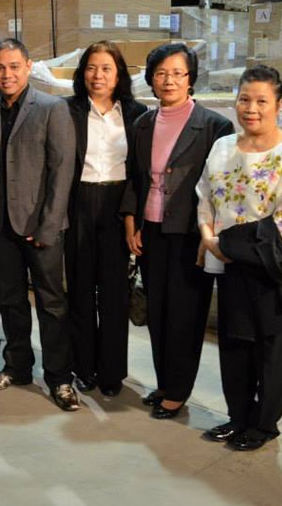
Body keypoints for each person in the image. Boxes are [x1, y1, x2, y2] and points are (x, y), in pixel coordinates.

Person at [120, 43, 233, 419]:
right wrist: (131, 222)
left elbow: (220, 188)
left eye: (177, 73)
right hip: (150, 231)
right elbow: (136, 179)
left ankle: (178, 391)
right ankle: (165, 382)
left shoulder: (214, 126)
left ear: (190, 79)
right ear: (151, 78)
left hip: (189, 234)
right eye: (161, 73)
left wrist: (210, 236)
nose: (168, 80)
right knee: (159, 312)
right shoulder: (143, 124)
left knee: (186, 315)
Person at [0, 39, 80, 411]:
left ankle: (60, 378)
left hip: (41, 227)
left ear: (28, 67)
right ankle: (17, 367)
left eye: (14, 66)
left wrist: (48, 225)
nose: (6, 74)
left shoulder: (52, 109)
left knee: (52, 304)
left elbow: (61, 173)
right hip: (1, 229)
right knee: (11, 302)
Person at [196, 65, 282, 451]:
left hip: (270, 270)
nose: (252, 108)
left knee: (271, 350)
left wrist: (227, 244)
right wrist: (209, 239)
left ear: (278, 105)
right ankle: (238, 417)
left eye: (262, 101)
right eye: (244, 99)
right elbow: (204, 197)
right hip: (228, 266)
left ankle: (264, 426)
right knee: (234, 345)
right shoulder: (223, 147)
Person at [65, 41, 147, 397]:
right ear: (82, 73)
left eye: (106, 69)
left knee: (114, 293)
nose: (97, 76)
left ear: (119, 75)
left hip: (117, 204)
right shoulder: (66, 111)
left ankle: (112, 371)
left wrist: (132, 215)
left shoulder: (136, 114)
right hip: (78, 202)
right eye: (91, 68)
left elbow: (140, 171)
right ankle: (83, 367)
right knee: (81, 291)